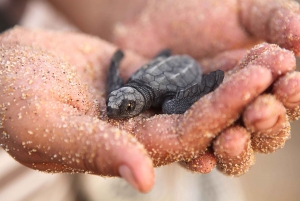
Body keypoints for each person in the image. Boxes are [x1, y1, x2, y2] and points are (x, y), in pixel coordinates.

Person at [1, 0, 300, 194]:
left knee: (172, 105)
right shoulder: (130, 88)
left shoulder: (159, 98)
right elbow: (119, 88)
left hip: (187, 69)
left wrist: (130, 10)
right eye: (121, 104)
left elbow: (124, 81)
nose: (118, 108)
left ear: (139, 101)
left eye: (127, 105)